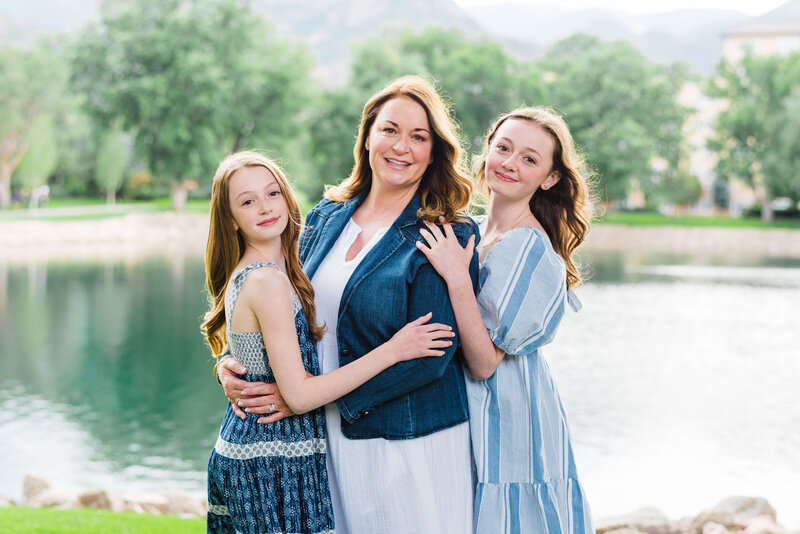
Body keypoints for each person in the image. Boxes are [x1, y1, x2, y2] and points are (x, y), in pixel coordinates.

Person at [219, 76, 480, 533]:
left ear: (435, 151)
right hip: (325, 442)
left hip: (408, 441)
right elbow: (271, 305)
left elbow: (431, 357)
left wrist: (305, 401)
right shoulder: (324, 216)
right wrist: (236, 364)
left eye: (419, 137)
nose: (401, 146)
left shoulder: (446, 233)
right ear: (367, 137)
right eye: (390, 130)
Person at [416, 107, 595, 534]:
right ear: (487, 153)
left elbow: (483, 363)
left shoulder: (531, 249)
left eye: (530, 159)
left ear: (550, 178)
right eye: (504, 148)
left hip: (512, 424)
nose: (511, 163)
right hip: (469, 418)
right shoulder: (473, 230)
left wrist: (458, 278)